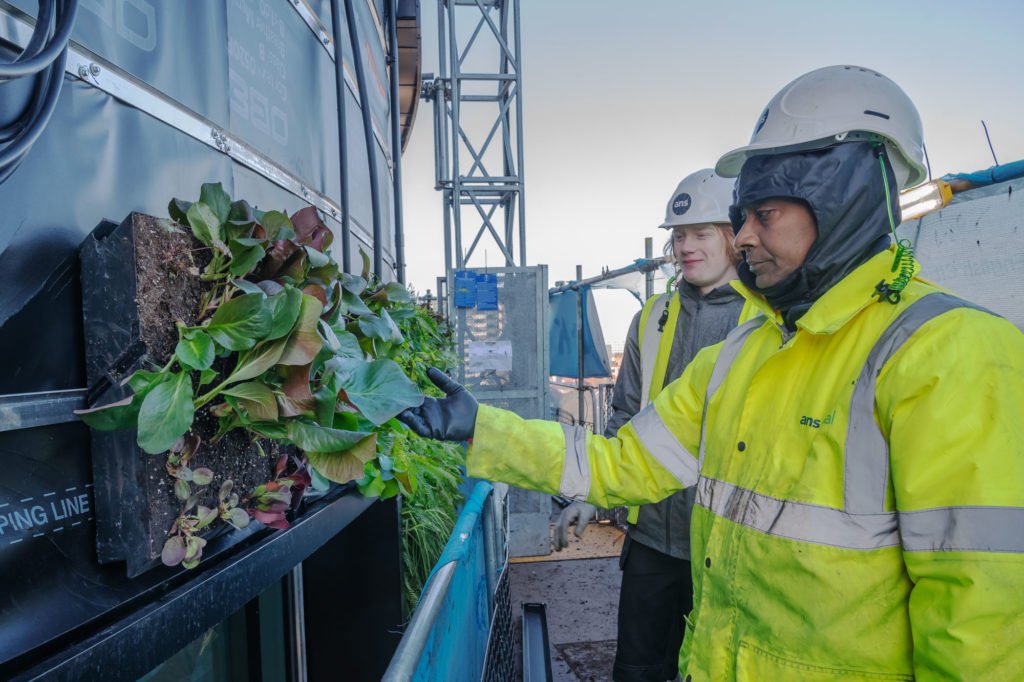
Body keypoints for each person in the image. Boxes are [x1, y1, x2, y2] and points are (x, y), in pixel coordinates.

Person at [400, 65, 1024, 680]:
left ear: (842, 198)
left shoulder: (948, 351)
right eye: (739, 217)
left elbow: (982, 617)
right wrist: (486, 429)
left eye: (763, 215)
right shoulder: (742, 354)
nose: (743, 237)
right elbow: (625, 463)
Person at [553, 168, 755, 682]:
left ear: (733, 236)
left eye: (700, 233)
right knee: (638, 669)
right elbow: (624, 417)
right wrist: (595, 492)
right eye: (679, 235)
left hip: (728, 543)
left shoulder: (765, 319)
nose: (685, 246)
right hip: (652, 539)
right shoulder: (652, 316)